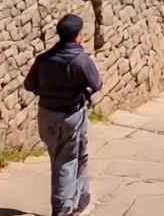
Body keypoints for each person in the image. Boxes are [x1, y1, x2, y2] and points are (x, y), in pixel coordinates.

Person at [24, 13, 102, 216]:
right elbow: (96, 84)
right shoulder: (80, 60)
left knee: (68, 157)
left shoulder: (43, 59)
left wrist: (49, 91)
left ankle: (80, 197)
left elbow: (29, 84)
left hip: (46, 114)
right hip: (70, 116)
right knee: (66, 162)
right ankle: (63, 208)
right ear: (77, 36)